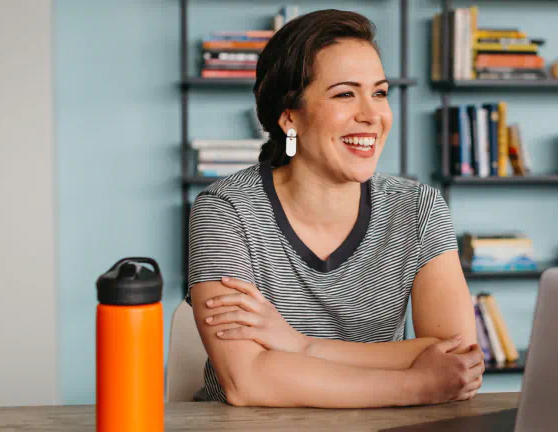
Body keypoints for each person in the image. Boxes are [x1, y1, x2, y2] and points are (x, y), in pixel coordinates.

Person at [186, 9, 483, 408]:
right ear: (290, 117)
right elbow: (248, 381)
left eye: (379, 93)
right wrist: (417, 384)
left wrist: (301, 346)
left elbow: (458, 357)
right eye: (345, 94)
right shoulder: (226, 210)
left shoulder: (417, 208)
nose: (372, 115)